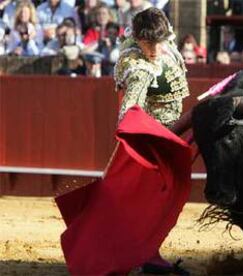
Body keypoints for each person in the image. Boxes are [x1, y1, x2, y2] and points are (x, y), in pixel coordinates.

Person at [55, 7, 192, 275]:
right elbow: (129, 114)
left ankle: (148, 253)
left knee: (152, 202)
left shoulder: (162, 43)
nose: (153, 49)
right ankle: (145, 255)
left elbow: (157, 31)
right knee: (150, 202)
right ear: (138, 39)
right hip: (151, 144)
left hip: (167, 136)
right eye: (147, 44)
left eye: (158, 42)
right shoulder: (138, 67)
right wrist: (147, 142)